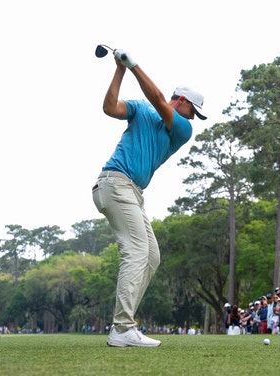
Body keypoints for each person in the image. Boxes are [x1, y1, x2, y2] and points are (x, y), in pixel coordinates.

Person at [94, 48, 205, 348]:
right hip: (116, 184)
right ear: (181, 101)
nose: (193, 117)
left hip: (131, 192)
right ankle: (122, 327)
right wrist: (120, 69)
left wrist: (133, 66)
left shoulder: (182, 129)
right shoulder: (140, 109)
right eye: (192, 109)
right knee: (136, 252)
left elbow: (157, 100)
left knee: (151, 257)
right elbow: (109, 107)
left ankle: (124, 323)